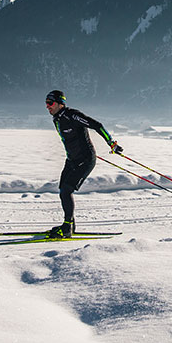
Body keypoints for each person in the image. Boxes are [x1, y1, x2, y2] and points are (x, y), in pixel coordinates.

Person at [45, 89, 122, 238]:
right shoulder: (57, 119)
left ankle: (67, 228)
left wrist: (111, 143)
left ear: (60, 103)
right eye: (46, 103)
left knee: (67, 190)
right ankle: (69, 225)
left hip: (85, 160)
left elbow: (97, 125)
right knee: (62, 190)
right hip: (71, 160)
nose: (47, 106)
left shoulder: (73, 115)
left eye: (50, 103)